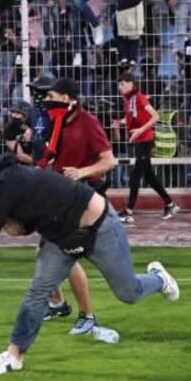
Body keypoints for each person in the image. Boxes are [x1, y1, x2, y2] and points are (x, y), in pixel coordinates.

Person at [0, 148, 179, 375]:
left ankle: (159, 279)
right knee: (37, 292)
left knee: (129, 292)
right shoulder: (5, 184)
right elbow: (33, 217)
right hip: (60, 238)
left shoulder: (4, 184)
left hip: (98, 228)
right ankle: (14, 355)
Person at [34, 77, 117, 334]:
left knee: (65, 255)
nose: (47, 101)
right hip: (61, 193)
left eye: (52, 96)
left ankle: (87, 315)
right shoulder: (57, 123)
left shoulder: (88, 123)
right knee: (47, 253)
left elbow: (109, 161)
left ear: (69, 98)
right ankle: (58, 303)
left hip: (82, 195)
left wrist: (81, 172)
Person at [115, 73, 179, 223]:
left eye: (123, 84)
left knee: (136, 175)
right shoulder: (128, 99)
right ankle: (170, 204)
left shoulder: (139, 97)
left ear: (131, 84)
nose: (120, 87)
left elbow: (155, 116)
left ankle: (129, 211)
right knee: (149, 177)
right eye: (119, 84)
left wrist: (140, 130)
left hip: (145, 140)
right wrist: (120, 122)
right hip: (140, 140)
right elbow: (133, 118)